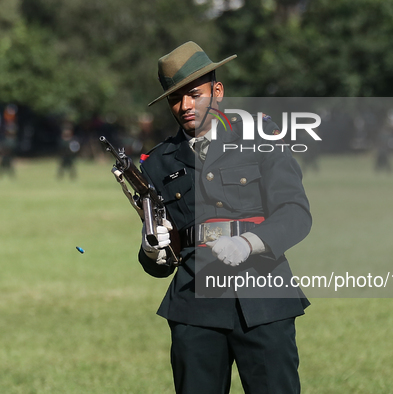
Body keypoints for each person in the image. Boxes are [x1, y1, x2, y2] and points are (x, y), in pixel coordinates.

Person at [137, 42, 312, 393]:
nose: (186, 106)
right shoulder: (156, 164)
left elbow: (296, 212)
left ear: (217, 92)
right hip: (194, 308)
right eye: (176, 98)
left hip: (263, 301)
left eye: (194, 94)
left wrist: (250, 243)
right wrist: (151, 252)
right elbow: (161, 255)